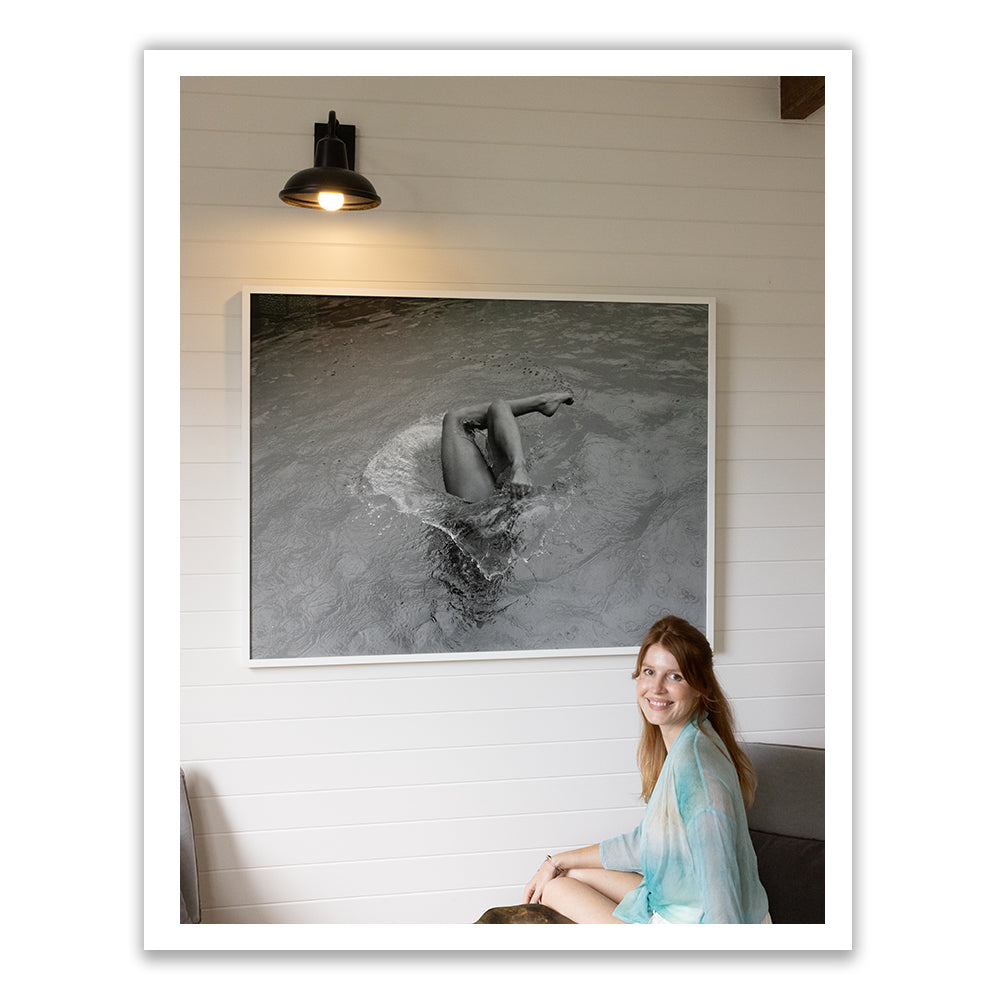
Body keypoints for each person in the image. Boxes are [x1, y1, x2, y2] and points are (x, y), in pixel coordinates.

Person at [522, 615, 770, 924]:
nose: (656, 688)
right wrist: (555, 861)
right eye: (649, 672)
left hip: (700, 926)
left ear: (700, 686)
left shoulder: (697, 772)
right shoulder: (691, 739)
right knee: (568, 874)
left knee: (556, 892)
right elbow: (646, 843)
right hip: (681, 899)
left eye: (675, 676)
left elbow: (721, 889)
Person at [440, 391, 573, 502]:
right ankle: (542, 402)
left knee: (456, 420)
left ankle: (541, 403)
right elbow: (499, 407)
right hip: (489, 513)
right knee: (498, 406)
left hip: (479, 518)